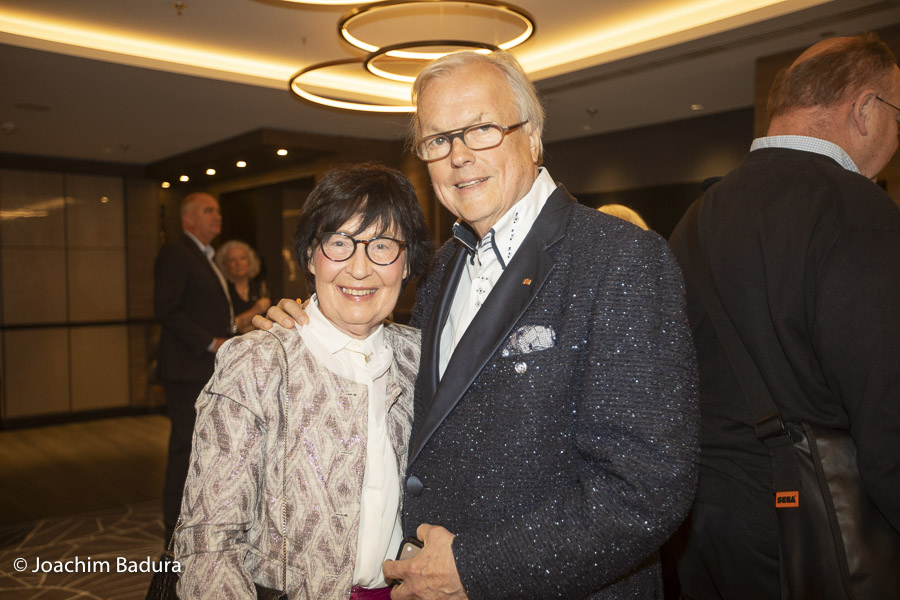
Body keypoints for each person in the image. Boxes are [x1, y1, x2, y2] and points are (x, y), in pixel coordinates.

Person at [260, 50, 699, 599]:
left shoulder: (621, 259)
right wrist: (308, 327)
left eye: (482, 129)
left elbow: (646, 487)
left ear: (532, 137)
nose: (459, 156)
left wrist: (474, 568)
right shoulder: (443, 266)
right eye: (438, 140)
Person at [668, 34, 900, 599]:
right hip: (811, 534)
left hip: (699, 526)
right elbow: (888, 411)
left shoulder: (696, 218)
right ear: (865, 110)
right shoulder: (858, 211)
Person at [174, 163, 434, 599]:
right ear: (312, 255)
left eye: (383, 246)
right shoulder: (259, 363)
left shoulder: (423, 358)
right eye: (339, 243)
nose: (360, 269)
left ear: (406, 263)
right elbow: (208, 544)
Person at [153, 191, 234, 544]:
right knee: (185, 448)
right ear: (188, 219)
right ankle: (173, 530)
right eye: (208, 211)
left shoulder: (206, 256)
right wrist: (210, 342)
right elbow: (166, 309)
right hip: (188, 369)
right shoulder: (177, 252)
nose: (217, 216)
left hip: (204, 368)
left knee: (203, 447)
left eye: (218, 210)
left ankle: (198, 519)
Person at [215, 239, 272, 333]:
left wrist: (245, 325)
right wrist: (254, 311)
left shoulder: (260, 287)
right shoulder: (222, 291)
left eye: (242, 258)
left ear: (250, 261)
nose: (238, 263)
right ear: (224, 265)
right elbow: (232, 329)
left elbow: (271, 321)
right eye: (232, 260)